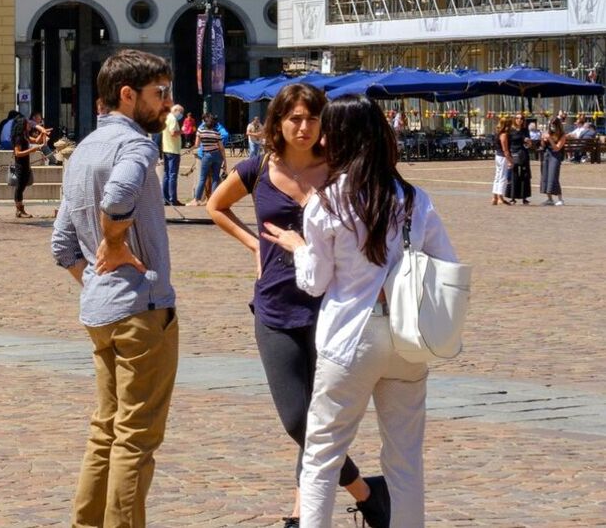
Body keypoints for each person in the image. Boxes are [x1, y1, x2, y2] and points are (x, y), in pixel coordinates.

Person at [261, 96, 456, 528]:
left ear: (342, 138)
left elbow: (313, 282)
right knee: (404, 457)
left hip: (350, 336)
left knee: (322, 453)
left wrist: (297, 249)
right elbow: (446, 264)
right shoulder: (412, 198)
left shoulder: (328, 202)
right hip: (408, 338)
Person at [208, 84, 386, 528]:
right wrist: (254, 246)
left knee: (319, 416)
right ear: (278, 123)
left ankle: (300, 511)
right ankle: (366, 490)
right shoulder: (258, 168)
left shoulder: (340, 170)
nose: (303, 127)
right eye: (295, 119)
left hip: (331, 306)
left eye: (312, 118)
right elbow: (216, 206)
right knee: (296, 418)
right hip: (275, 306)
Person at [49, 48, 176, 528]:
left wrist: (98, 278)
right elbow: (119, 196)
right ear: (128, 95)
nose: (167, 103)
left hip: (101, 311)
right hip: (142, 309)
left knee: (105, 430)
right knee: (135, 436)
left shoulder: (82, 149)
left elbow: (62, 244)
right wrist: (117, 246)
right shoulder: (137, 146)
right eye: (159, 94)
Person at [12, 113, 49, 219]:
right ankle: (19, 209)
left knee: (23, 185)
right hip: (20, 164)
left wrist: (43, 133)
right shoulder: (19, 138)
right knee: (19, 187)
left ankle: (19, 208)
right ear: (23, 125)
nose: (30, 125)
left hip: (26, 164)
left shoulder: (25, 135)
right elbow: (17, 153)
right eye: (27, 124)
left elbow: (37, 141)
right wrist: (31, 150)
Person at [192, 112, 227, 206]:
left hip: (207, 155)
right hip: (217, 155)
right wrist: (225, 161)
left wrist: (192, 147)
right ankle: (213, 200)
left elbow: (197, 145)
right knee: (215, 177)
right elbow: (221, 148)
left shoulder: (201, 132)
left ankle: (196, 199)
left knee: (202, 178)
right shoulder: (217, 132)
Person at [159, 104, 186, 206]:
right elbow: (173, 133)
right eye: (181, 112)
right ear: (176, 111)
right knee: (172, 175)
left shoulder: (166, 118)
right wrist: (182, 131)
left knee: (166, 174)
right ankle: (172, 199)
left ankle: (165, 197)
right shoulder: (173, 119)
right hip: (173, 150)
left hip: (166, 149)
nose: (181, 115)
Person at [508, 114, 534, 204]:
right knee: (514, 174)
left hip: (523, 153)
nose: (519, 120)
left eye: (521, 118)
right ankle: (512, 197)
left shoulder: (525, 130)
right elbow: (508, 143)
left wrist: (529, 142)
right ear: (514, 119)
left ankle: (524, 197)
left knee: (525, 174)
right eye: (517, 118)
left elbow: (529, 144)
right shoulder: (511, 130)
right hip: (514, 153)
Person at [542, 118, 567, 206]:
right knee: (546, 176)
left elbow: (557, 148)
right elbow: (542, 146)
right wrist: (543, 139)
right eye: (550, 124)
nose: (551, 126)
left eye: (553, 124)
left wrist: (550, 139)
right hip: (547, 154)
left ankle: (560, 199)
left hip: (555, 156)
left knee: (554, 176)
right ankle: (549, 199)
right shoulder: (548, 132)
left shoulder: (562, 135)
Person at [491, 115, 514, 206]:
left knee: (497, 176)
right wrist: (510, 160)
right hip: (503, 157)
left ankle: (494, 197)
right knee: (503, 177)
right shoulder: (504, 134)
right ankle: (500, 197)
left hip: (498, 156)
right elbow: (505, 149)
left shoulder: (498, 133)